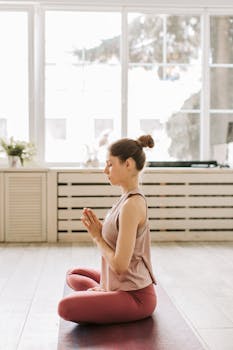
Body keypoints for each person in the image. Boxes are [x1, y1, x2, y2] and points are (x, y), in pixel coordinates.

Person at [58, 135, 157, 324]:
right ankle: (105, 291)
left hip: (135, 296)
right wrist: (101, 230)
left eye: (110, 164)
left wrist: (97, 237)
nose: (105, 170)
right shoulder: (124, 200)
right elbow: (119, 240)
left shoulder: (132, 205)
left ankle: (105, 293)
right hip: (118, 285)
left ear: (127, 163)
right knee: (74, 274)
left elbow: (120, 266)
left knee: (65, 307)